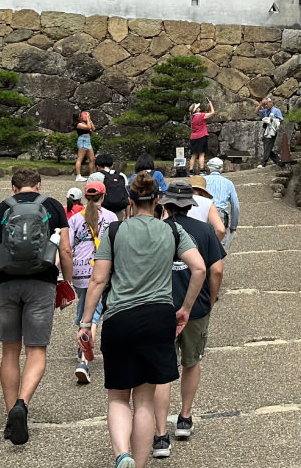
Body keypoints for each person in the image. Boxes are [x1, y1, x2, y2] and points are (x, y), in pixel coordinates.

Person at [78, 172, 206, 468]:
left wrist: (86, 324)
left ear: (130, 202)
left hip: (120, 319)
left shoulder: (114, 232)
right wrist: (185, 307)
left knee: (119, 398)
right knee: (145, 402)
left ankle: (122, 454)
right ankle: (138, 462)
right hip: (158, 317)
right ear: (158, 200)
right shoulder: (172, 232)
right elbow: (198, 268)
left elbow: (98, 281)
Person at [0, 167, 74, 446]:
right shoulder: (52, 206)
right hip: (41, 283)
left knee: (9, 351)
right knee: (36, 350)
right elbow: (65, 249)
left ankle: (10, 415)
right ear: (38, 186)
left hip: (4, 284)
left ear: (13, 188)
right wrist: (66, 282)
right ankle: (22, 403)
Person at [153, 181, 225, 452]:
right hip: (196, 307)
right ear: (191, 205)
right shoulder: (205, 231)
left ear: (166, 204)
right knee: (191, 362)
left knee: (161, 370)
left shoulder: (158, 230)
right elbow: (216, 270)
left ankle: (160, 435)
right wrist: (211, 299)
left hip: (161, 307)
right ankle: (184, 418)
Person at [70, 180, 117, 385]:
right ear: (103, 196)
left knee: (84, 307)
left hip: (78, 271)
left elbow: (67, 247)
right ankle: (83, 361)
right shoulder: (110, 217)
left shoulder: (75, 219)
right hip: (99, 269)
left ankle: (81, 337)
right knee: (94, 315)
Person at [203, 158, 240, 251]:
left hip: (203, 214)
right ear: (221, 169)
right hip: (221, 216)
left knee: (203, 246)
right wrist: (233, 225)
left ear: (208, 169)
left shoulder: (202, 180)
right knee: (219, 249)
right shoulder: (228, 183)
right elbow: (235, 206)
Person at [185, 177, 227, 241]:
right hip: (200, 240)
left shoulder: (179, 201)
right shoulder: (208, 203)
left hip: (181, 240)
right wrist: (213, 244)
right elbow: (220, 230)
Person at [95, 155, 130, 219]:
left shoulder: (94, 176)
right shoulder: (121, 175)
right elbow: (127, 196)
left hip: (101, 213)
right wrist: (127, 215)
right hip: (119, 211)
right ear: (112, 166)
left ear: (97, 167)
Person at [187, 100, 214, 174]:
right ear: (196, 110)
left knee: (194, 155)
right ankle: (202, 170)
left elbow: (204, 115)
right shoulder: (200, 115)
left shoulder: (193, 117)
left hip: (194, 137)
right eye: (198, 107)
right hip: (201, 136)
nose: (199, 108)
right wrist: (211, 105)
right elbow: (212, 113)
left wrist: (207, 109)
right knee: (201, 154)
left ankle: (191, 171)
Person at [256, 98, 283, 168]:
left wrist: (273, 120)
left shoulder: (276, 110)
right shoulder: (265, 111)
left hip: (272, 129)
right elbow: (256, 112)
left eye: (267, 103)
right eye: (265, 104)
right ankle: (278, 160)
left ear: (271, 103)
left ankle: (263, 163)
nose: (266, 105)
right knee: (267, 147)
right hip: (266, 129)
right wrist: (260, 105)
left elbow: (281, 120)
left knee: (267, 146)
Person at [74, 111, 97, 182]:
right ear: (78, 118)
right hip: (83, 140)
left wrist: (89, 119)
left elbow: (93, 128)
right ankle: (78, 176)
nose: (82, 117)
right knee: (80, 159)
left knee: (92, 159)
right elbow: (88, 127)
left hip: (88, 141)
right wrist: (87, 118)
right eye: (81, 116)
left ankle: (91, 175)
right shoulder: (78, 124)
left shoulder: (85, 122)